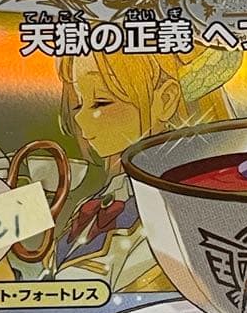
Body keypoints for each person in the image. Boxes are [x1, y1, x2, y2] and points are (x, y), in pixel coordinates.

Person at [51, 47, 235, 290]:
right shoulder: (101, 201)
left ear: (166, 100)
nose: (79, 118)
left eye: (101, 101)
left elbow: (83, 291)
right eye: (78, 104)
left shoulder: (177, 214)